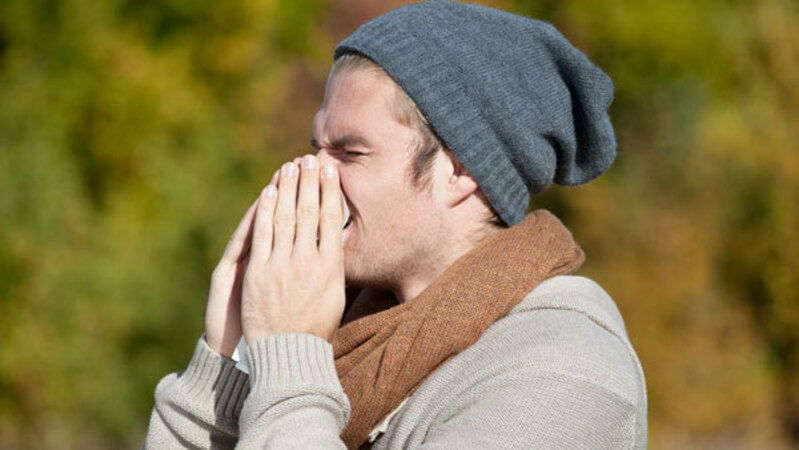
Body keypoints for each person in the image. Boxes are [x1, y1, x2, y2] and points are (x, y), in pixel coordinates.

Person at [143, 1, 647, 448]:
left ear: (460, 171)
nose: (314, 173)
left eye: (350, 152)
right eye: (318, 147)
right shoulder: (353, 336)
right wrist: (226, 368)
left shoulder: (565, 371)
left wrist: (290, 359)